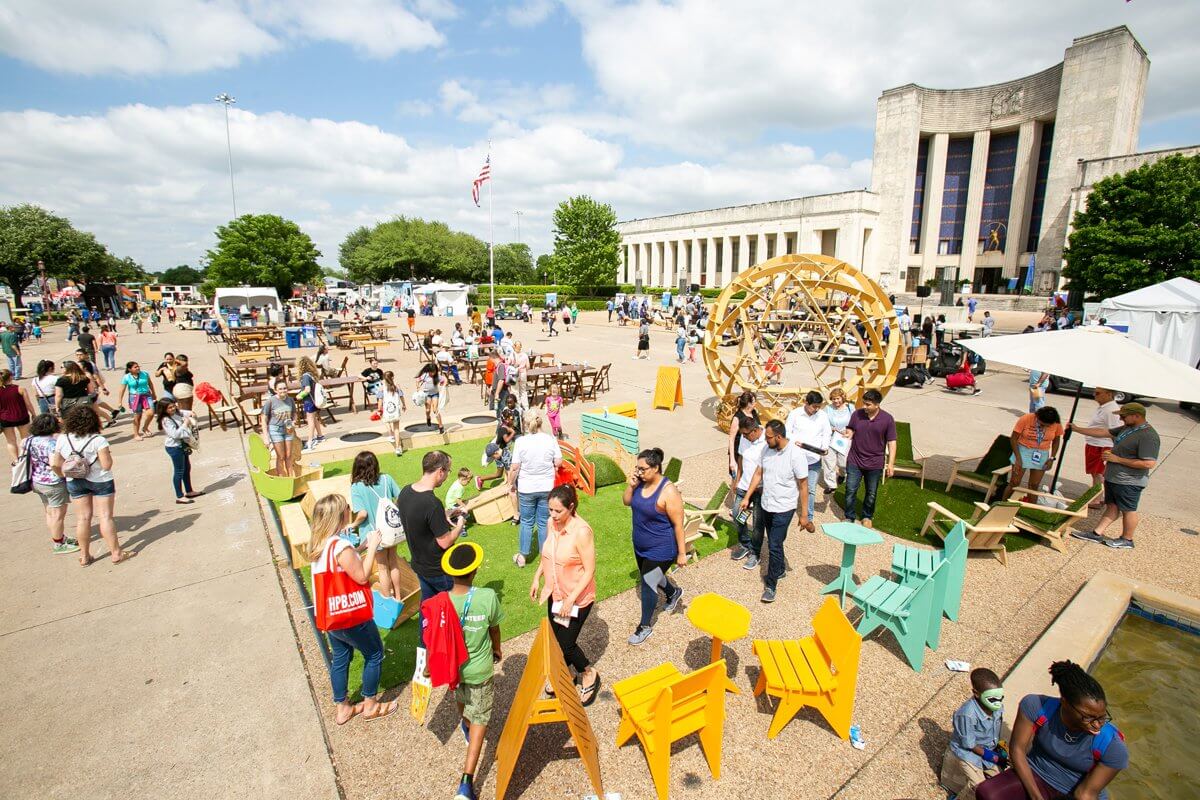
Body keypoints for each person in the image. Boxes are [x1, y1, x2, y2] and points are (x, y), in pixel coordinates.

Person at [975, 661, 1126, 800]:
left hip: (1075, 794)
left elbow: (1085, 794)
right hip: (1035, 774)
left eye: (1102, 717)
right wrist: (1036, 797)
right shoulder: (1035, 706)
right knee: (987, 793)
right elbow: (1017, 750)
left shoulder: (1113, 747)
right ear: (1064, 702)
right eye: (1088, 717)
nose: (1098, 725)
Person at [306, 494, 397, 725]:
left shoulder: (320, 547)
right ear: (341, 514)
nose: (350, 509)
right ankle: (370, 704)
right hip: (351, 614)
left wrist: (362, 547)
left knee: (340, 657)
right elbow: (361, 575)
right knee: (374, 652)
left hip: (332, 617)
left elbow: (347, 566)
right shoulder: (341, 546)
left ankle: (343, 708)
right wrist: (374, 545)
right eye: (347, 507)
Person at [435, 541, 503, 800]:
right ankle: (466, 782)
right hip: (480, 670)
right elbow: (494, 629)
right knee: (480, 719)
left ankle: (465, 725)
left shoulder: (442, 601)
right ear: (474, 571)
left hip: (454, 669)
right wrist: (496, 649)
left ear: (451, 573)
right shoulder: (487, 597)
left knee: (461, 700)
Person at [529, 482, 600, 701]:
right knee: (556, 640)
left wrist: (571, 599)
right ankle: (567, 673)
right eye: (550, 510)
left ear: (571, 507)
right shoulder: (552, 523)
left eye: (558, 511)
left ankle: (589, 674)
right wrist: (537, 577)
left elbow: (590, 570)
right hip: (555, 595)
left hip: (577, 599)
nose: (553, 515)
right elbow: (548, 553)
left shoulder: (581, 532)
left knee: (565, 644)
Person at [1069, 402, 1160, 550]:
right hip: (1114, 478)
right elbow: (1104, 432)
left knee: (1128, 509)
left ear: (1136, 416)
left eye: (1124, 416)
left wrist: (1117, 459)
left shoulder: (1148, 436)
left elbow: (1148, 463)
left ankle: (1127, 539)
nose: (1121, 419)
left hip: (1129, 481)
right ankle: (1097, 533)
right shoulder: (1128, 428)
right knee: (1112, 506)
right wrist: (1077, 429)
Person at [51, 405, 130, 566]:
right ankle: (116, 553)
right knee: (105, 517)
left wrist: (63, 475)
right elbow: (107, 465)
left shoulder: (63, 438)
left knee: (83, 518)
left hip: (75, 481)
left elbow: (56, 463)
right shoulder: (98, 440)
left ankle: (84, 555)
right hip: (100, 480)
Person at [738, 419, 807, 602]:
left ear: (778, 436)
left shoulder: (796, 455)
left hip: (784, 508)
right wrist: (746, 497)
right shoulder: (766, 449)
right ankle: (781, 569)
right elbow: (758, 474)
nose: (765, 440)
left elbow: (803, 486)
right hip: (766, 504)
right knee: (776, 542)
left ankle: (770, 585)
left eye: (768, 437)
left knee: (774, 544)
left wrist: (804, 515)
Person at [624, 447, 687, 644]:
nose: (638, 472)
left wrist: (682, 553)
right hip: (640, 545)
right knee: (655, 576)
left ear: (656, 467)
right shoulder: (640, 484)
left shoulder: (669, 492)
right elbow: (626, 502)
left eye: (642, 469)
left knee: (648, 583)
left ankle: (644, 627)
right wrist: (631, 485)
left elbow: (678, 524)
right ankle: (673, 592)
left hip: (662, 549)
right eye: (637, 468)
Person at [398, 450, 466, 602]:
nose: (448, 475)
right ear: (440, 471)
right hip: (438, 570)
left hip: (419, 566)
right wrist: (459, 525)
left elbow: (418, 518)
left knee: (428, 609)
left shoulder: (405, 492)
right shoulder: (432, 503)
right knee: (452, 608)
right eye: (448, 470)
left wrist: (444, 514)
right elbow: (445, 542)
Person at [940, 668, 1005, 800]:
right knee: (978, 787)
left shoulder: (997, 708)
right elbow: (968, 744)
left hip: (987, 749)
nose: (998, 702)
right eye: (992, 699)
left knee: (1002, 782)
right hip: (967, 752)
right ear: (976, 693)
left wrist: (998, 747)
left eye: (1001, 697)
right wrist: (990, 756)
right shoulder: (967, 714)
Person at [508, 411, 562, 567]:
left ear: (526, 423)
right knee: (544, 521)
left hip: (526, 488)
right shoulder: (550, 439)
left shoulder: (521, 442)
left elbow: (514, 466)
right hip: (546, 487)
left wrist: (510, 484)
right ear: (541, 422)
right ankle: (544, 557)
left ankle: (523, 556)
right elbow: (558, 461)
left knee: (526, 522)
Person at [348, 451, 405, 599]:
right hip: (391, 529)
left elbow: (363, 514)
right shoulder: (387, 478)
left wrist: (352, 524)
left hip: (374, 534)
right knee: (394, 562)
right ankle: (398, 596)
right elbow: (400, 497)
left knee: (382, 567)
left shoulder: (356, 487)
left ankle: (387, 599)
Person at [24, 413, 79, 554]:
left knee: (49, 511)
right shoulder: (52, 443)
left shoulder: (28, 441)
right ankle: (58, 543)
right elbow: (54, 464)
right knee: (58, 514)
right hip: (53, 483)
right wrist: (62, 476)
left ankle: (59, 537)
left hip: (36, 480)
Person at [785, 390, 831, 532]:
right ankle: (787, 511)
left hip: (814, 459)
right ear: (806, 403)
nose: (816, 409)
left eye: (819, 406)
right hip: (797, 457)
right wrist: (795, 442)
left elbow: (827, 433)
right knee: (792, 486)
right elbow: (787, 432)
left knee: (810, 489)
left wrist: (824, 447)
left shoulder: (822, 416)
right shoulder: (795, 414)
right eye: (814, 406)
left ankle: (808, 517)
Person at [1004, 407, 1063, 501]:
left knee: (1034, 485)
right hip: (1023, 451)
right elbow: (1013, 439)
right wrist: (1018, 459)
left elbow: (1056, 441)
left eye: (1047, 426)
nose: (1044, 427)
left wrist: (1052, 458)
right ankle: (1001, 504)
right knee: (1014, 482)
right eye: (1042, 424)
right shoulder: (1026, 418)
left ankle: (1029, 508)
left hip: (1042, 453)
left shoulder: (1056, 423)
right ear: (1037, 417)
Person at [728, 417, 766, 565]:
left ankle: (755, 553)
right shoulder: (745, 437)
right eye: (742, 435)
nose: (743, 437)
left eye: (746, 434)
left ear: (756, 430)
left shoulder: (767, 441)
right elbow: (741, 458)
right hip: (744, 486)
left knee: (757, 523)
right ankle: (745, 544)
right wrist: (737, 479)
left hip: (760, 489)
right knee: (737, 514)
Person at [1076, 388, 1121, 510]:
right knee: (1095, 473)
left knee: (1098, 473)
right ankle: (1098, 497)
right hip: (1095, 443)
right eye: (1094, 392)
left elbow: (1113, 431)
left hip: (1102, 445)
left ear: (1109, 394)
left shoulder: (1111, 410)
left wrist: (1078, 429)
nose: (1094, 395)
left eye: (1098, 393)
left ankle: (1097, 499)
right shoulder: (1104, 407)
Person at [155, 398, 203, 504]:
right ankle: (179, 496)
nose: (173, 408)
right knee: (179, 471)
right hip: (174, 447)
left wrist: (191, 413)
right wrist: (185, 424)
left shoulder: (176, 412)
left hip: (182, 445)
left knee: (187, 468)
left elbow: (185, 412)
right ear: (164, 409)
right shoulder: (166, 420)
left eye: (173, 406)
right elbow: (175, 435)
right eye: (170, 407)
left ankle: (189, 490)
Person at [262, 380, 298, 477]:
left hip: (288, 429)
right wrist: (266, 436)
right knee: (281, 456)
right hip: (275, 430)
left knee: (289, 455)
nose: (283, 390)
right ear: (275, 390)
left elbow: (294, 414)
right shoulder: (271, 401)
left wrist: (294, 422)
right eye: (280, 389)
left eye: (285, 388)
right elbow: (264, 418)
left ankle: (291, 477)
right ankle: (282, 478)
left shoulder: (290, 400)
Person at [821, 388, 854, 496]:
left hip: (844, 439)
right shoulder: (827, 408)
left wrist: (850, 431)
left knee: (843, 463)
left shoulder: (850, 408)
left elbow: (855, 422)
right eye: (834, 399)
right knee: (828, 463)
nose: (836, 401)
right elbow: (823, 422)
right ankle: (831, 485)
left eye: (838, 398)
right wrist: (831, 428)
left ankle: (842, 474)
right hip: (830, 439)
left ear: (842, 398)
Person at [117, 361, 157, 441]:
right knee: (137, 416)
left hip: (146, 395)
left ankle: (145, 428)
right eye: (135, 367)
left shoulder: (145, 374)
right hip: (135, 397)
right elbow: (122, 389)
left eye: (138, 366)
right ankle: (136, 434)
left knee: (151, 413)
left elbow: (150, 384)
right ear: (129, 369)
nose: (138, 368)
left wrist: (153, 394)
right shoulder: (126, 377)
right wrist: (119, 401)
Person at [0, 368, 35, 462]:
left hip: (5, 418)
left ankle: (15, 461)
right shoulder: (20, 389)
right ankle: (26, 458)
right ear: (11, 377)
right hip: (21, 416)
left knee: (11, 441)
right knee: (25, 439)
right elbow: (28, 404)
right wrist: (33, 414)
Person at [727, 391, 760, 479]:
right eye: (754, 401)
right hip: (739, 452)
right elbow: (731, 439)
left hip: (752, 450)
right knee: (738, 479)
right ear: (748, 403)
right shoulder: (737, 418)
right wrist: (732, 460)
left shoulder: (753, 412)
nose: (755, 403)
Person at [296, 356, 326, 451]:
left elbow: (307, 389)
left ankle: (310, 440)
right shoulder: (311, 375)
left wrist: (300, 395)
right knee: (314, 418)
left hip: (309, 401)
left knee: (310, 420)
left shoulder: (305, 376)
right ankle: (320, 436)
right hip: (314, 400)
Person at [475, 425, 515, 490]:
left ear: (496, 453)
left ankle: (480, 478)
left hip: (503, 455)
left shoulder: (506, 456)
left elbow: (509, 470)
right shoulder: (497, 455)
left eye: (493, 457)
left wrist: (509, 483)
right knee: (499, 474)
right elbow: (507, 468)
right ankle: (480, 478)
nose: (493, 458)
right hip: (500, 456)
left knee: (504, 472)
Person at [378, 371, 405, 456]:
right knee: (396, 429)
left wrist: (379, 409)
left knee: (384, 420)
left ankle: (390, 434)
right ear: (393, 377)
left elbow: (380, 400)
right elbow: (401, 396)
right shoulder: (397, 386)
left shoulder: (382, 388)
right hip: (396, 411)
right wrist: (404, 405)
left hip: (387, 410)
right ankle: (397, 448)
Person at [415, 362, 445, 434]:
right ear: (428, 371)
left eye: (434, 372)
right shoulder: (425, 375)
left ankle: (441, 426)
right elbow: (417, 380)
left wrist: (443, 384)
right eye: (431, 372)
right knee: (428, 410)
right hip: (427, 395)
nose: (432, 374)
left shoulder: (437, 376)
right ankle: (428, 417)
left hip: (435, 394)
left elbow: (444, 380)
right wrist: (418, 386)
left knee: (435, 410)